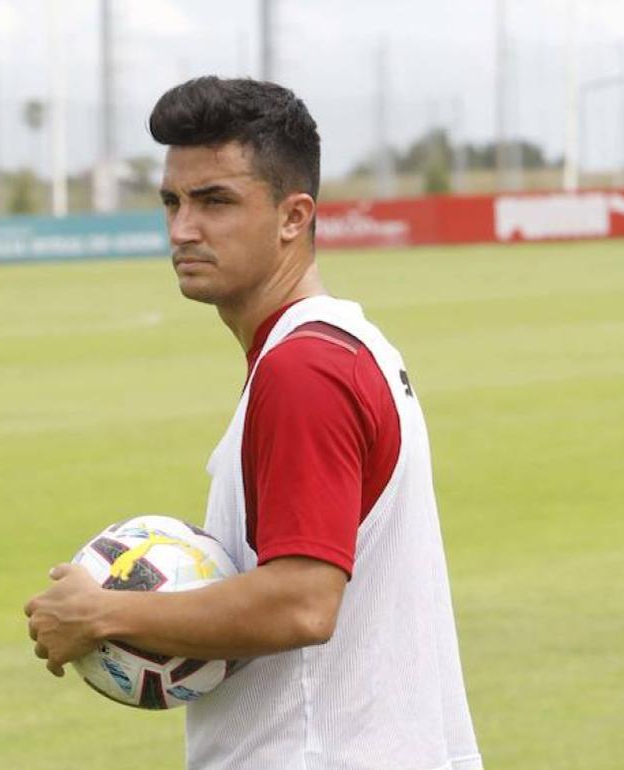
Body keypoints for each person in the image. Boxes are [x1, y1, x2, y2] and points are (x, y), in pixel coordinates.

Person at [24, 76, 482, 770]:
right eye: (172, 202)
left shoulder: (305, 371)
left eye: (216, 201)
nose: (183, 229)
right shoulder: (337, 346)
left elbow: (301, 604)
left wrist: (103, 614)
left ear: (294, 216)